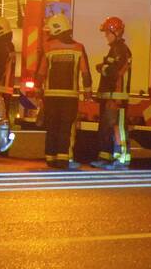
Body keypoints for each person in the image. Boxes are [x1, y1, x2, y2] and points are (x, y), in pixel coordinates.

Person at [36, 13, 92, 170]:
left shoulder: (48, 47)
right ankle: (62, 160)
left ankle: (50, 158)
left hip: (50, 96)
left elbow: (41, 72)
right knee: (65, 128)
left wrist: (37, 89)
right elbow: (85, 72)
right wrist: (88, 91)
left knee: (52, 126)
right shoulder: (78, 47)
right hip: (70, 96)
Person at [93, 16, 132, 170]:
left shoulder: (121, 50)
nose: (105, 36)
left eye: (107, 33)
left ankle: (121, 159)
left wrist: (102, 68)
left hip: (117, 97)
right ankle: (105, 158)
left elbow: (116, 72)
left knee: (118, 128)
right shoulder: (115, 49)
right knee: (107, 129)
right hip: (110, 96)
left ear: (116, 32)